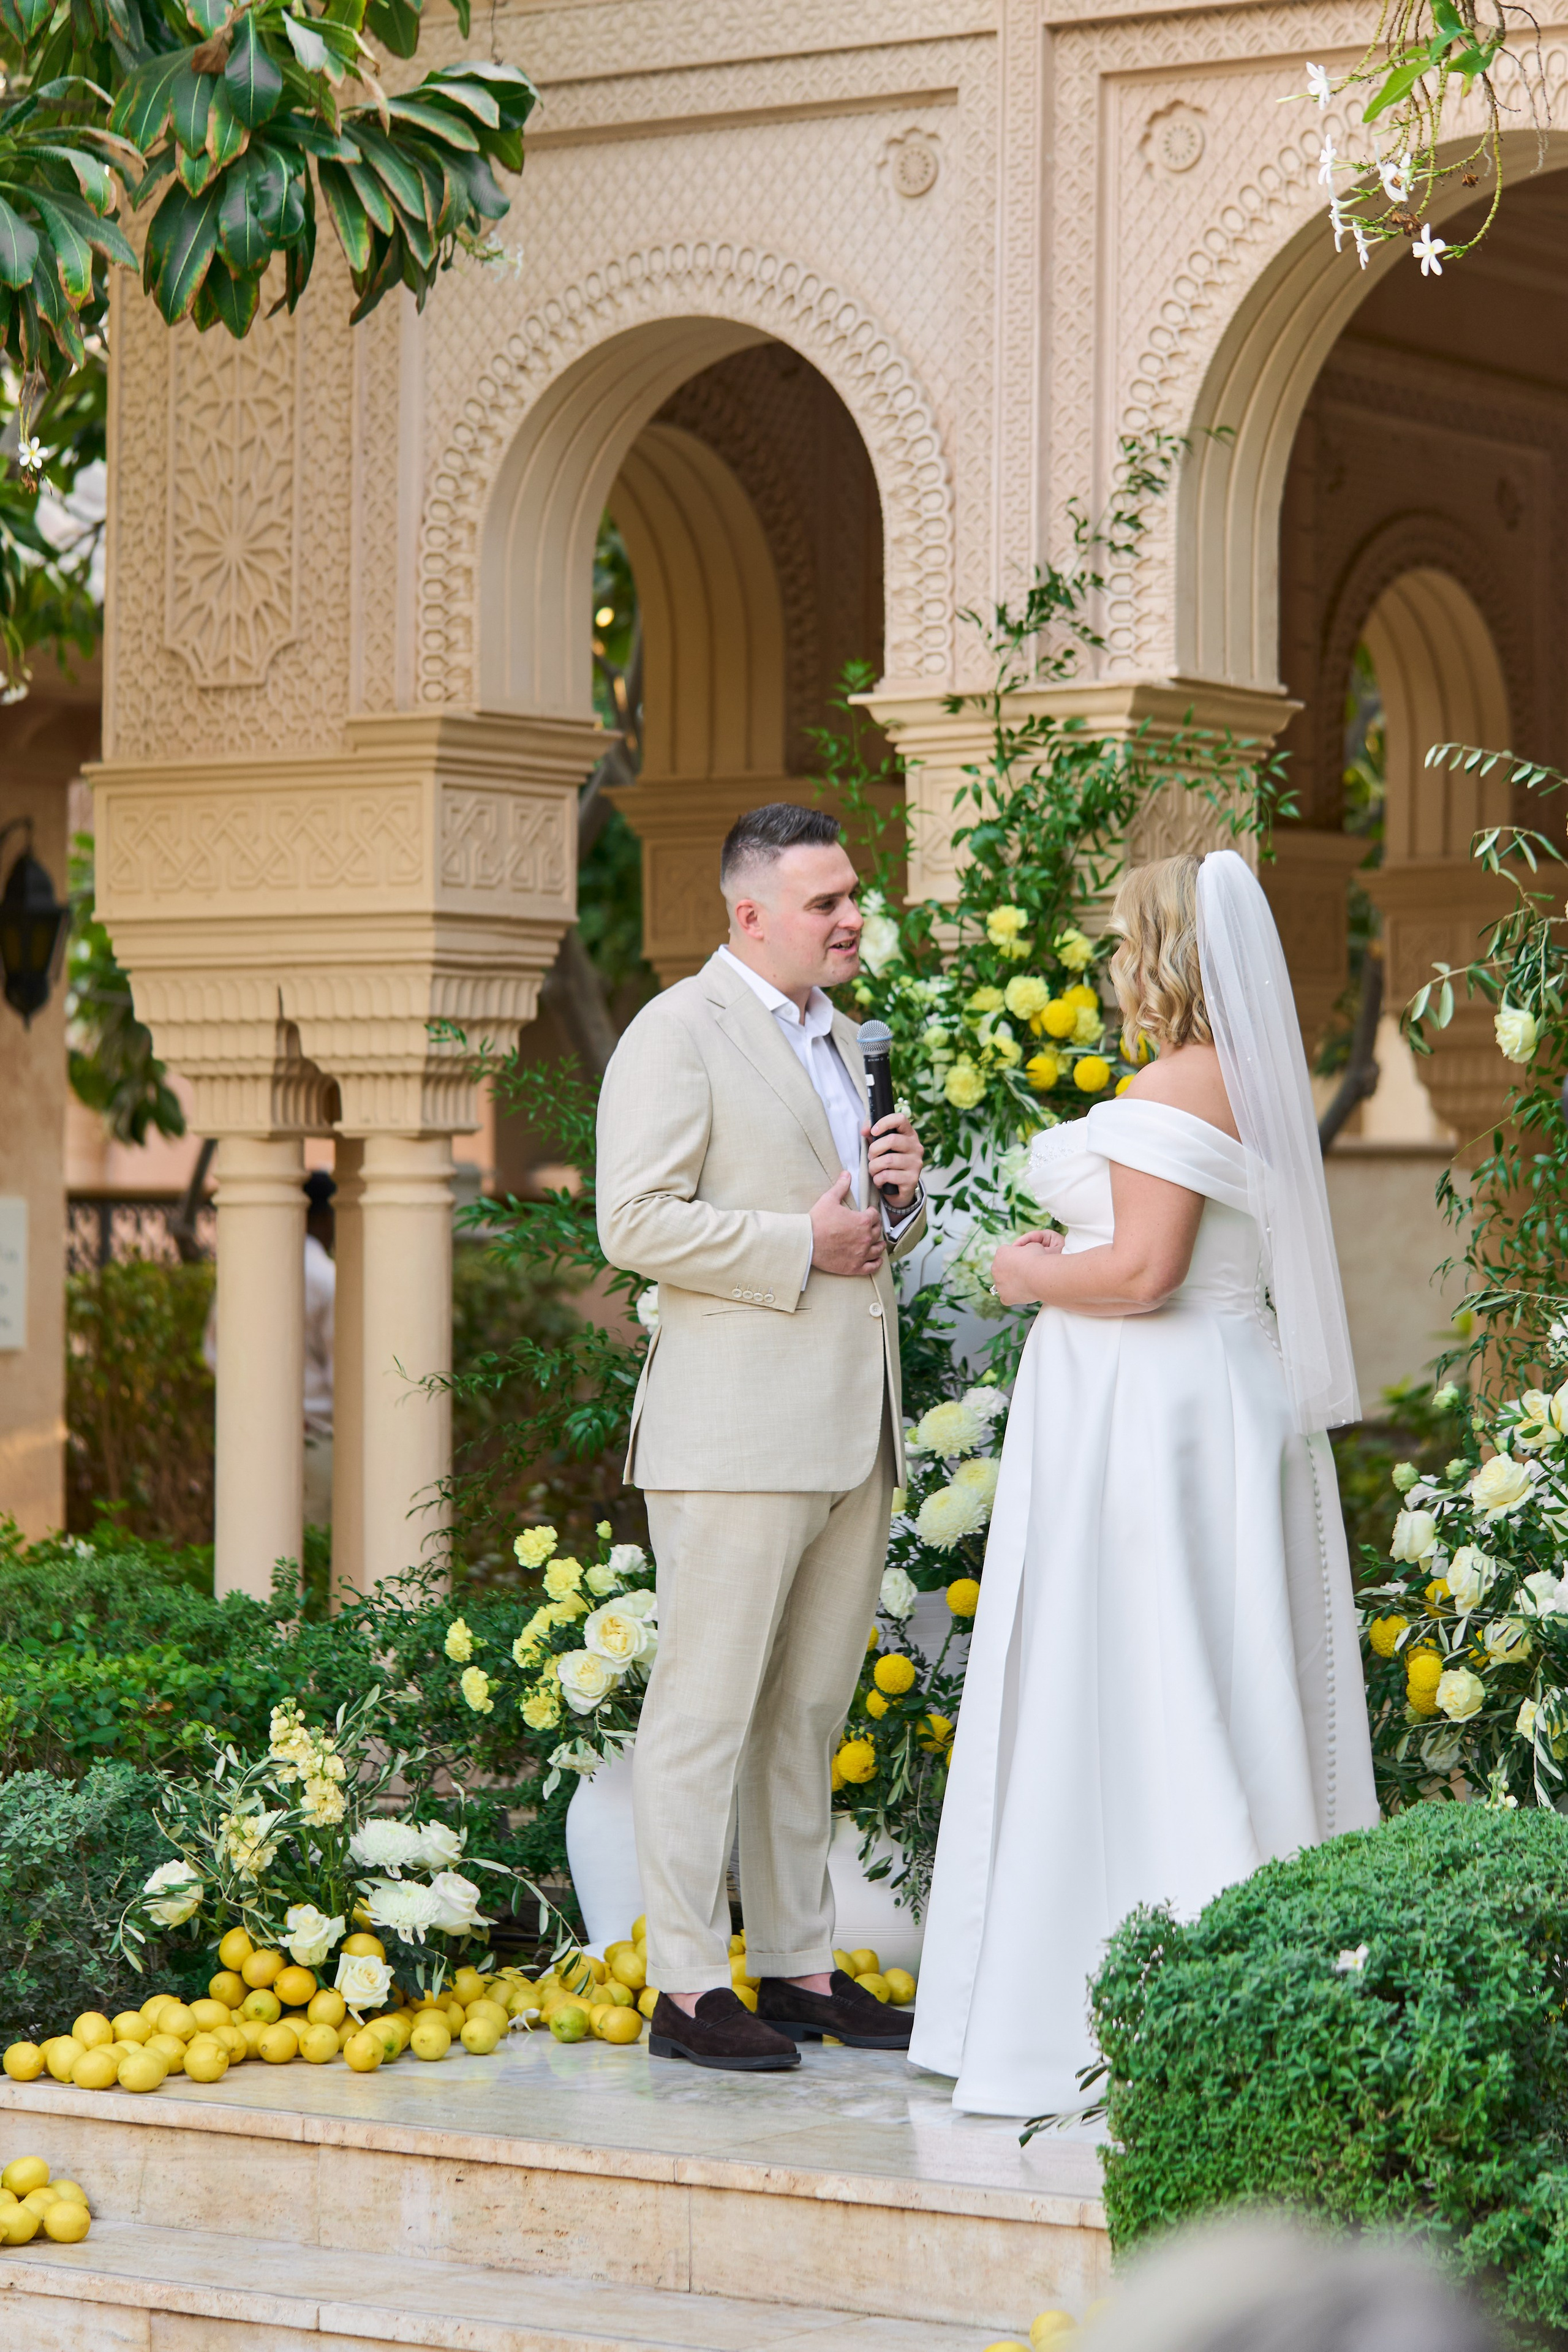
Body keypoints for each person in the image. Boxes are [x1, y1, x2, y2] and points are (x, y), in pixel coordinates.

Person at [910, 849, 1379, 2116]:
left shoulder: (1177, 1083)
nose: (1112, 961)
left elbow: (1141, 1275)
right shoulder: (1245, 1083)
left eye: (1123, 940)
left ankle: (1141, 1988)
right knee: (1210, 1672)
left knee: (1143, 1676)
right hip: (1207, 1398)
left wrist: (1023, 1273)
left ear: (1162, 952)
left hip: (1152, 1407)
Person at [597, 802, 927, 2073]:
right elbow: (632, 1220)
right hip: (732, 1433)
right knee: (706, 1710)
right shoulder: (676, 1033)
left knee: (804, 1711)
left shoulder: (844, 1040)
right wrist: (802, 1243)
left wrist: (897, 1199)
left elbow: (860, 1231)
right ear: (748, 914)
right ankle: (685, 1987)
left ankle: (793, 1966)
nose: (851, 919)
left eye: (852, 896)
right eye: (824, 902)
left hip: (851, 1428)